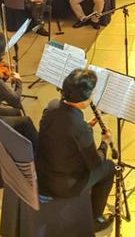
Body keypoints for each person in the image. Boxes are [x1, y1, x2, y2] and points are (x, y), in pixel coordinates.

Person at [36, 69, 114, 232]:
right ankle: (94, 219)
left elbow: (63, 132)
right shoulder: (78, 127)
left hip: (43, 176)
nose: (93, 95)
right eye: (92, 93)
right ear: (84, 98)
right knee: (108, 167)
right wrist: (104, 143)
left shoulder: (52, 106)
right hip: (64, 187)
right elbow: (95, 163)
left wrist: (86, 127)